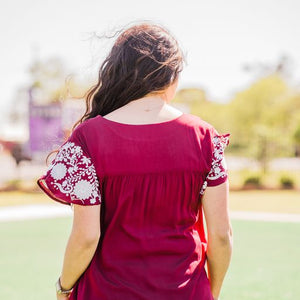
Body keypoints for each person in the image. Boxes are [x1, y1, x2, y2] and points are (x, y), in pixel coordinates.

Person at [37, 21, 233, 300]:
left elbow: (86, 237)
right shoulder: (206, 138)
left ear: (119, 73)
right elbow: (222, 236)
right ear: (172, 77)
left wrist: (63, 288)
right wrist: (208, 292)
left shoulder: (88, 138)